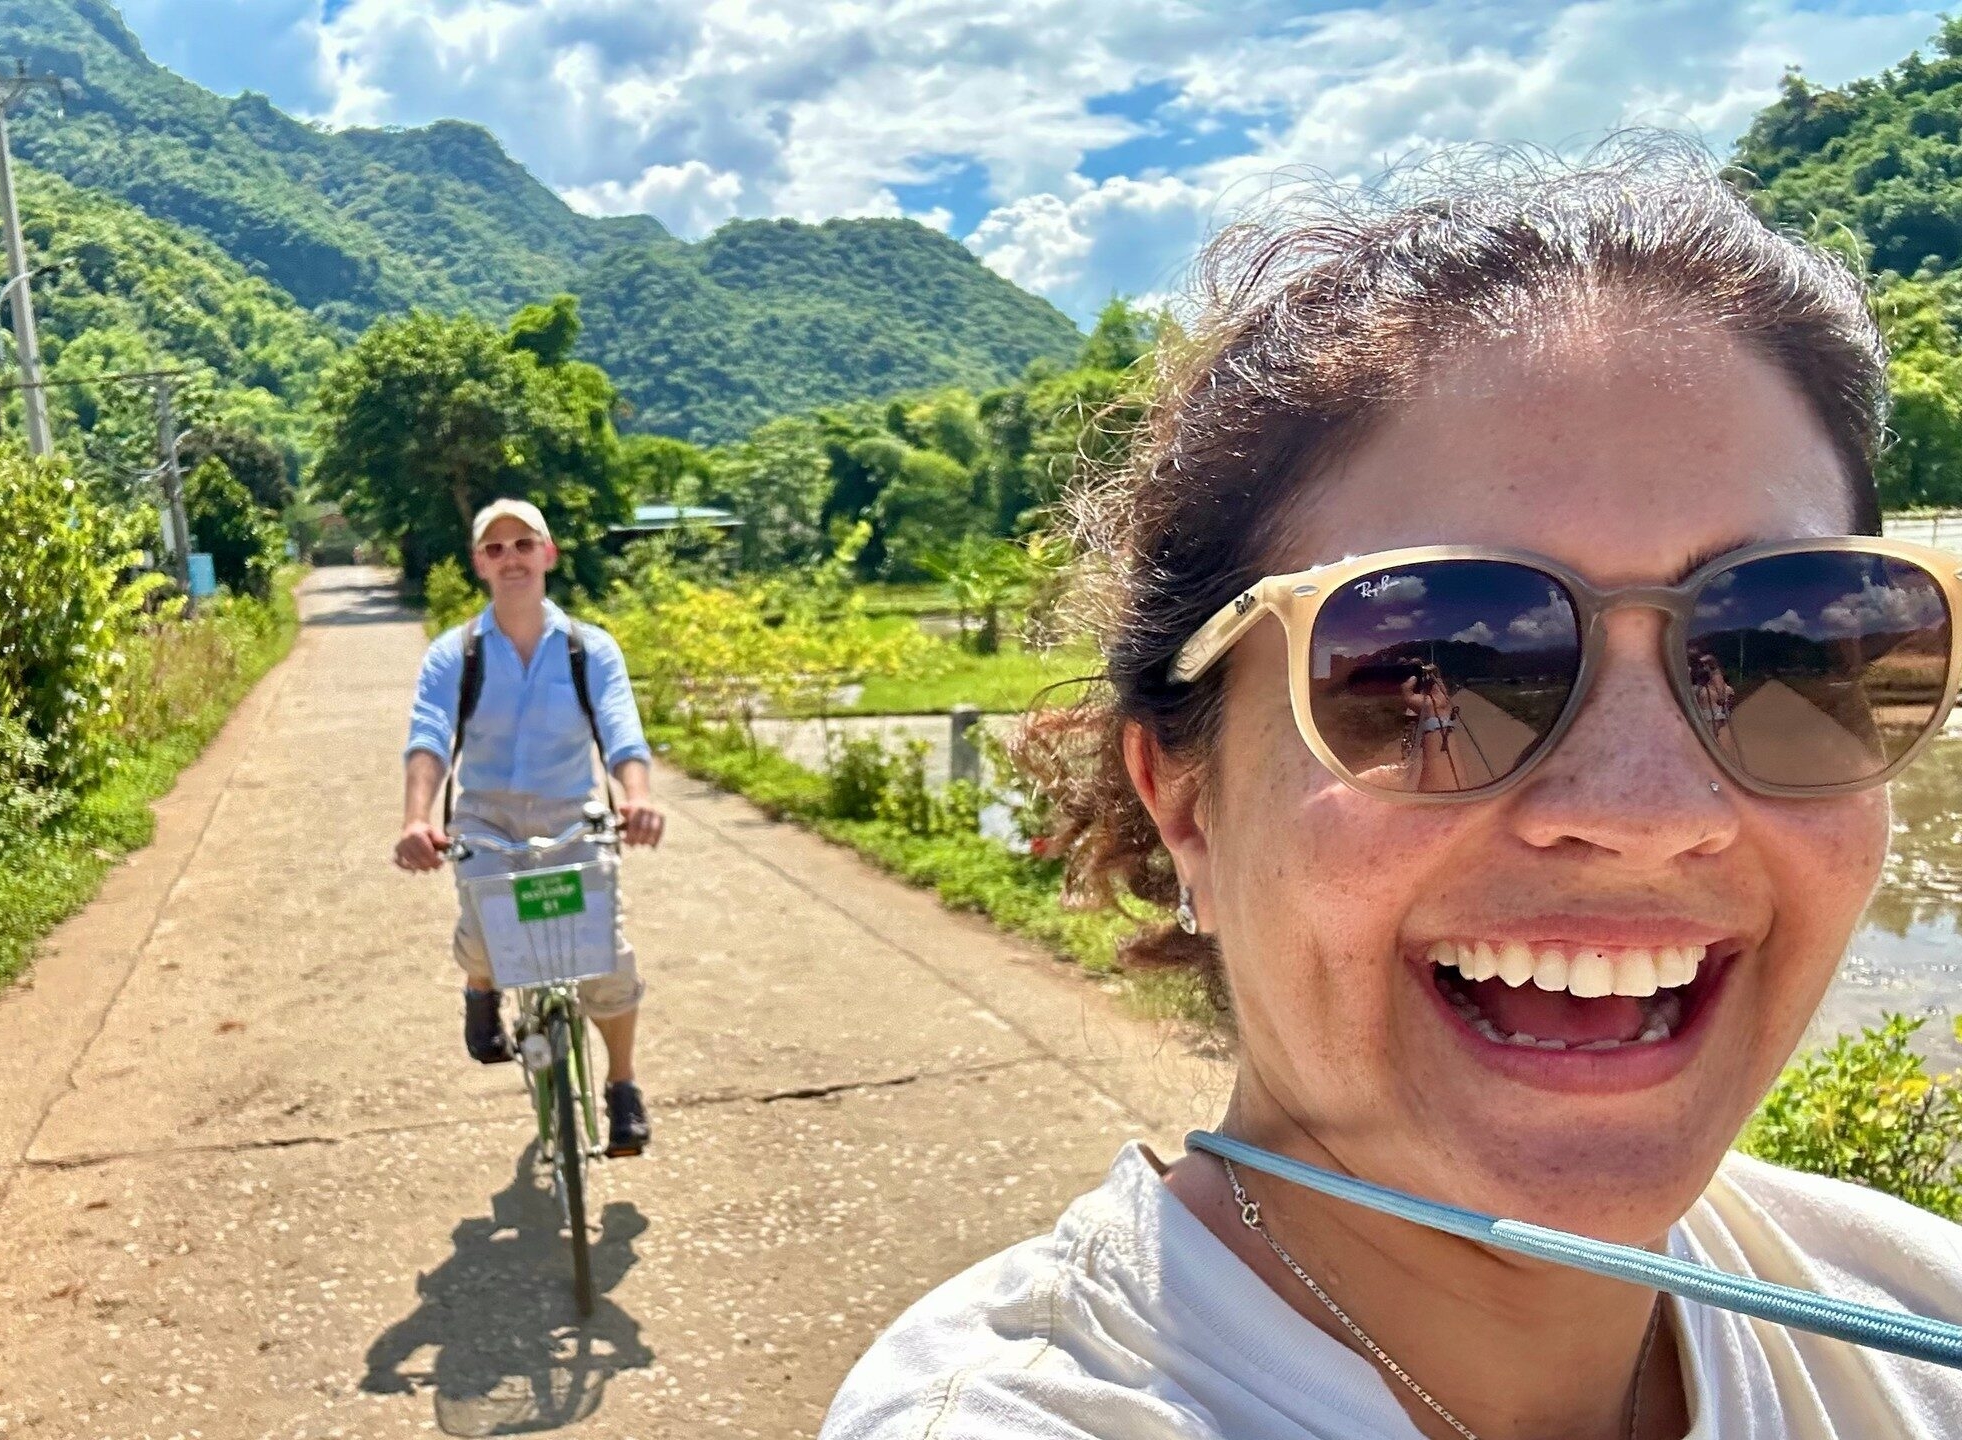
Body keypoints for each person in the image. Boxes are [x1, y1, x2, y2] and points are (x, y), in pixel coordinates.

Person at [824, 142, 1962, 1439]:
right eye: (1438, 661)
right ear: (1185, 802)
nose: (1653, 810)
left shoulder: (1911, 1323)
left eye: (1787, 646)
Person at [394, 499, 664, 1156]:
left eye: (524, 544)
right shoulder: (452, 654)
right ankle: (480, 987)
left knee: (606, 962)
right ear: (478, 564)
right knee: (486, 941)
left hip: (571, 820)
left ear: (549, 555)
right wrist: (415, 819)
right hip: (485, 824)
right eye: (495, 548)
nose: (510, 558)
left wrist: (637, 797)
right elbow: (429, 738)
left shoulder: (588, 649)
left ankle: (622, 1085)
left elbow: (620, 729)